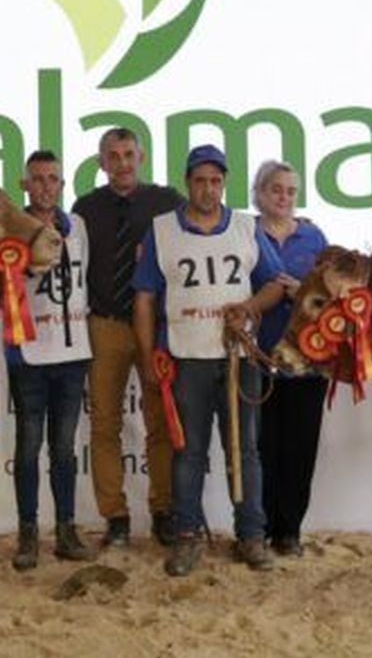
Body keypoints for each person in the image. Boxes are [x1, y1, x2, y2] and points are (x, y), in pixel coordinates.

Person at [133, 144, 286, 576]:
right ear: (188, 183)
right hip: (187, 357)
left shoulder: (244, 227)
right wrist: (147, 356)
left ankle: (251, 536)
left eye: (215, 181)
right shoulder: (162, 230)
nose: (208, 189)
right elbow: (144, 299)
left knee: (246, 450)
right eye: (200, 181)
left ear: (224, 183)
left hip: (239, 356)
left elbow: (275, 284)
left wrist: (250, 307)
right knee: (189, 451)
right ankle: (186, 537)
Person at [72, 128, 184, 548]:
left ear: (142, 157)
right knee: (104, 425)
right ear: (101, 162)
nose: (122, 163)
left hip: (154, 327)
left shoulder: (168, 204)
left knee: (160, 420)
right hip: (103, 326)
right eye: (113, 155)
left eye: (128, 154)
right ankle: (115, 517)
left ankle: (163, 512)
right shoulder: (85, 209)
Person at [6, 150, 98, 570]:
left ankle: (65, 528)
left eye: (53, 179)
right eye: (37, 179)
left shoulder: (77, 225)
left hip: (73, 351)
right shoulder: (12, 230)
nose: (45, 186)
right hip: (29, 353)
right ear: (25, 185)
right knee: (28, 446)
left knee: (64, 447)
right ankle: (28, 532)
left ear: (62, 185)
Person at [251, 160, 329, 557]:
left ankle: (289, 531)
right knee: (261, 448)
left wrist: (301, 291)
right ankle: (258, 529)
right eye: (275, 189)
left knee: (299, 450)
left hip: (306, 363)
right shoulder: (243, 233)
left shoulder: (314, 238)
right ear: (260, 193)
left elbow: (333, 297)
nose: (283, 197)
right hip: (258, 358)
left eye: (290, 191)